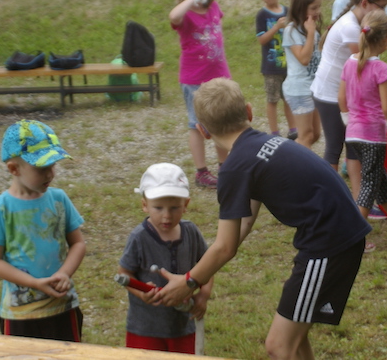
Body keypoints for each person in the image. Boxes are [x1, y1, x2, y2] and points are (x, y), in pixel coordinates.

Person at [154, 78, 371, 360]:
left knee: (278, 346)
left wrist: (189, 281)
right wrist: (200, 278)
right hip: (334, 236)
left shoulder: (235, 168)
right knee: (294, 339)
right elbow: (240, 228)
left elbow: (225, 247)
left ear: (203, 131)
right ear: (249, 111)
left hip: (330, 245)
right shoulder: (258, 147)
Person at [0, 119, 86, 341]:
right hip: (20, 315)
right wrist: (34, 284)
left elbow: (77, 243)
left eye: (52, 166)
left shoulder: (59, 199)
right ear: (14, 169)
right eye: (42, 168)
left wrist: (64, 273)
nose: (50, 174)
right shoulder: (0, 209)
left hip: (62, 307)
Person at [311, 0, 387, 203]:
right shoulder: (351, 28)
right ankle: (331, 199)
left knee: (353, 149)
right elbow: (366, 64)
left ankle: (358, 199)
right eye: (381, 7)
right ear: (365, 3)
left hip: (342, 94)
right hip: (329, 94)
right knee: (334, 148)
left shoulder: (359, 23)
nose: (384, 12)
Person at [338, 10, 387, 252]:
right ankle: (353, 238)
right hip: (373, 136)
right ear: (386, 39)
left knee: (380, 182)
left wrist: (351, 121)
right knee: (369, 186)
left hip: (353, 134)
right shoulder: (381, 69)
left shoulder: (350, 62)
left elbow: (341, 99)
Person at [118, 163, 212, 354]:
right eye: (158, 208)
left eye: (174, 207)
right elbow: (124, 274)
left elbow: (208, 266)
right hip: (145, 328)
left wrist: (203, 295)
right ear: (145, 205)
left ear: (186, 205)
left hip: (183, 325)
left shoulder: (191, 232)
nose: (167, 216)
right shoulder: (139, 238)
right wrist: (141, 293)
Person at [169, 0, 232, 188]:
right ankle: (201, 172)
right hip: (194, 77)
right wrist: (191, 0)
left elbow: (217, 36)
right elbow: (173, 17)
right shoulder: (184, 14)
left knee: (222, 121)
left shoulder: (214, 7)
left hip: (219, 75)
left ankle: (224, 167)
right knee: (196, 124)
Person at [254, 0, 297, 140]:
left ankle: (293, 129)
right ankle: (274, 132)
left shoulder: (287, 11)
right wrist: (276, 28)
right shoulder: (262, 15)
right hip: (271, 67)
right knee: (272, 100)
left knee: (288, 98)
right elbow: (261, 40)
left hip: (288, 65)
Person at [282, 0, 323, 148]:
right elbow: (304, 59)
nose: (317, 11)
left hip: (313, 87)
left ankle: (291, 156)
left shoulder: (312, 29)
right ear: (301, 7)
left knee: (315, 134)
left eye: (319, 7)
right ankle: (286, 159)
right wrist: (311, 33)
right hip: (298, 89)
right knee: (306, 135)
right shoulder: (291, 31)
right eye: (313, 8)